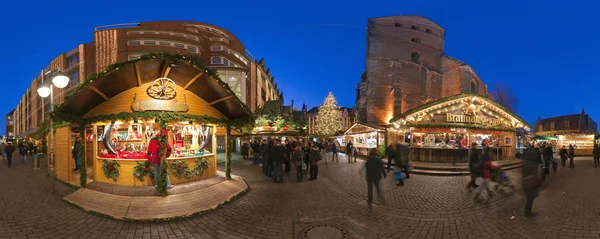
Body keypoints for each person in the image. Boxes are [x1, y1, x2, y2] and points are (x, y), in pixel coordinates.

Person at [522, 144, 542, 217]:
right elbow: (534, 173)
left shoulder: (526, 162)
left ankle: (527, 212)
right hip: (530, 183)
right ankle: (527, 213)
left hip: (526, 182)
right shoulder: (531, 163)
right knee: (530, 198)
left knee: (530, 198)